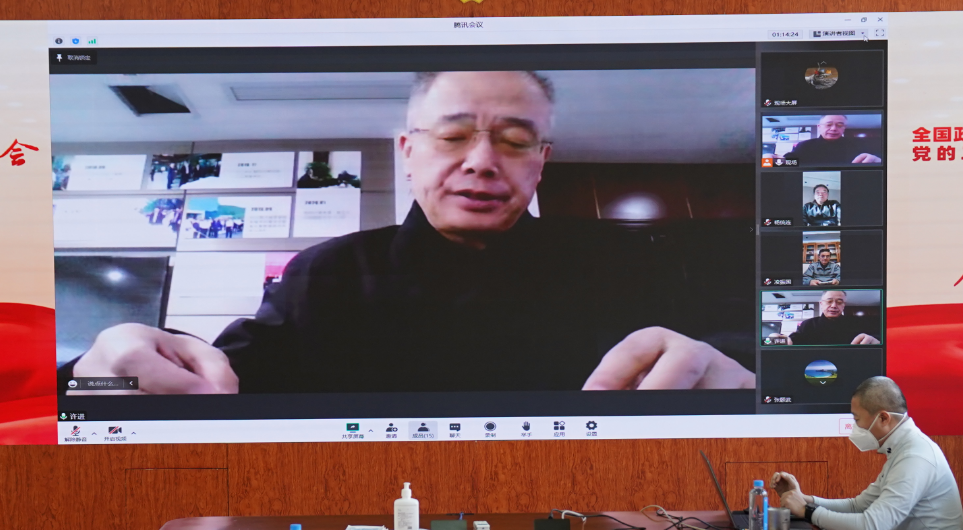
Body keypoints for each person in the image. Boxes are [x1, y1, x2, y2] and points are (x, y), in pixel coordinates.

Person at [58, 71, 756, 395]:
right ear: (408, 151)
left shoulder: (630, 259)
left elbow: (753, 354)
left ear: (541, 161)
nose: (481, 161)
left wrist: (739, 378)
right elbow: (223, 381)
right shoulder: (324, 273)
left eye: (515, 141)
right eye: (452, 135)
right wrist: (101, 377)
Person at [772, 376, 963, 530]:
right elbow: (858, 506)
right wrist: (804, 499)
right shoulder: (902, 450)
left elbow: (872, 525)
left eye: (857, 419)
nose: (855, 427)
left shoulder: (914, 457)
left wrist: (806, 511)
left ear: (883, 418)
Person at [770, 291, 878, 345]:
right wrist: (781, 340)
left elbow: (878, 337)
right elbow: (794, 340)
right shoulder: (808, 324)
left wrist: (875, 341)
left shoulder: (857, 322)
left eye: (839, 302)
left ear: (843, 305)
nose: (834, 306)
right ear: (821, 304)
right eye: (829, 301)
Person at [784, 115, 882, 166]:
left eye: (839, 125)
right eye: (829, 124)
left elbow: (880, 157)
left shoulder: (859, 143)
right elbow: (788, 160)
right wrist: (776, 160)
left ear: (844, 128)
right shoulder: (804, 145)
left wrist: (879, 160)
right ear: (819, 127)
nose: (834, 129)